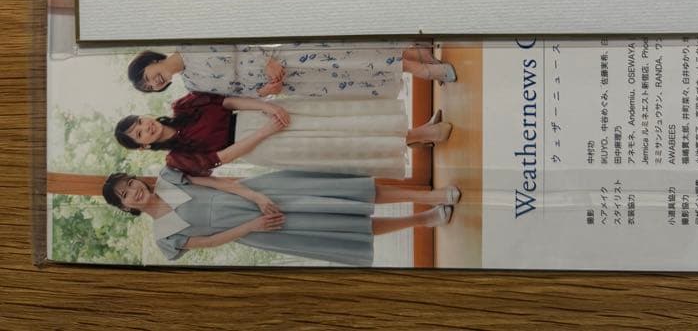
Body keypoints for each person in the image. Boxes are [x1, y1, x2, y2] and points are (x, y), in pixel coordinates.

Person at [103, 167, 457, 266]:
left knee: (345, 194)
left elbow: (219, 182)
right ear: (126, 208)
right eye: (125, 195)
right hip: (264, 228)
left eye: (130, 183)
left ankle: (430, 196)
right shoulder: (164, 239)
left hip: (264, 194)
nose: (133, 191)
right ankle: (424, 219)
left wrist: (256, 196)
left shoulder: (169, 178)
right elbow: (209, 242)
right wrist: (254, 225)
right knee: (340, 226)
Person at [114, 90, 451, 179]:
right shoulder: (177, 159)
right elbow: (221, 158)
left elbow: (226, 102)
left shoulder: (182, 105)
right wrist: (265, 131)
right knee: (338, 144)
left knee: (340, 120)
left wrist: (265, 106)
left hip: (260, 115)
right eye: (139, 134)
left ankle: (417, 134)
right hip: (260, 145)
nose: (146, 128)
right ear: (143, 146)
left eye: (140, 122)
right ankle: (420, 135)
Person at [127, 44, 456, 98]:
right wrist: (265, 92)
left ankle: (424, 70)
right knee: (349, 77)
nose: (153, 82)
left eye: (146, 77)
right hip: (284, 84)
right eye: (149, 88)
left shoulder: (189, 42)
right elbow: (236, 92)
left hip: (280, 55)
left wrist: (266, 61)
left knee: (349, 59)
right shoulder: (192, 84)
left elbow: (234, 37)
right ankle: (414, 56)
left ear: (149, 61)